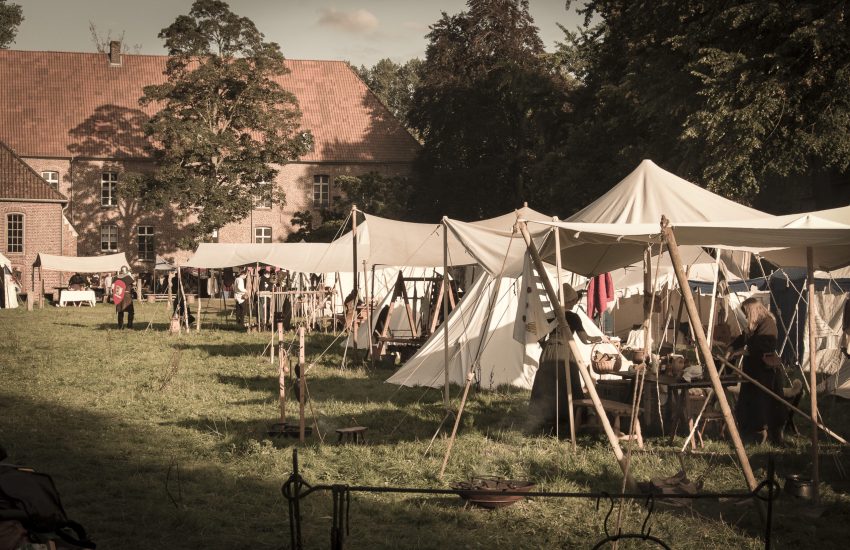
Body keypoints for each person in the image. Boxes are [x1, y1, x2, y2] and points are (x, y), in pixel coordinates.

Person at [528, 284, 602, 435]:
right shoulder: (573, 317)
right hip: (565, 353)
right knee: (570, 384)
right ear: (569, 301)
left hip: (549, 352)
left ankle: (542, 417)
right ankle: (570, 416)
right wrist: (599, 338)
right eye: (574, 300)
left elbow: (540, 336)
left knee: (547, 384)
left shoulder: (549, 315)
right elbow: (584, 338)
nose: (575, 303)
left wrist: (549, 347)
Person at [727, 297, 784, 444]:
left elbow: (763, 347)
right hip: (753, 372)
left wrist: (743, 352)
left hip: (765, 373)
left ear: (753, 311)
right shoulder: (756, 325)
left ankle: (765, 436)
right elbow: (744, 337)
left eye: (746, 313)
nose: (746, 316)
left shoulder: (768, 324)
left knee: (763, 405)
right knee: (749, 403)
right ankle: (750, 435)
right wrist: (733, 346)